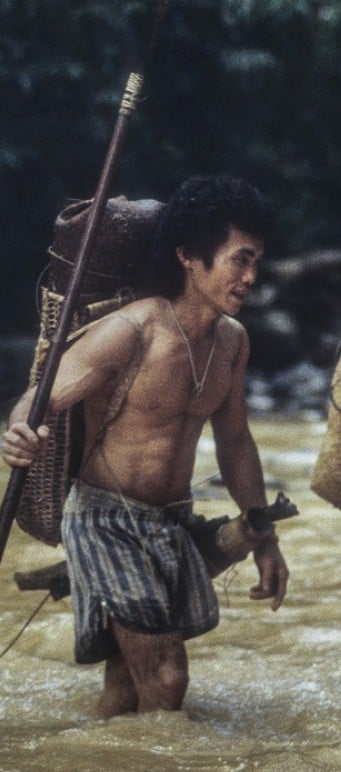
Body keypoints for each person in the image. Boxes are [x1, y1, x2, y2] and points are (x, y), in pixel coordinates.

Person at [1, 175, 289, 716]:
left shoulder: (232, 342)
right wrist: (18, 432)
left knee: (128, 688)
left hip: (170, 523)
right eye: (239, 261)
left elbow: (236, 442)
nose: (252, 278)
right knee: (166, 675)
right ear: (188, 256)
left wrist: (264, 538)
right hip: (105, 522)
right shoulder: (133, 330)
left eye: (257, 263)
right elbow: (42, 397)